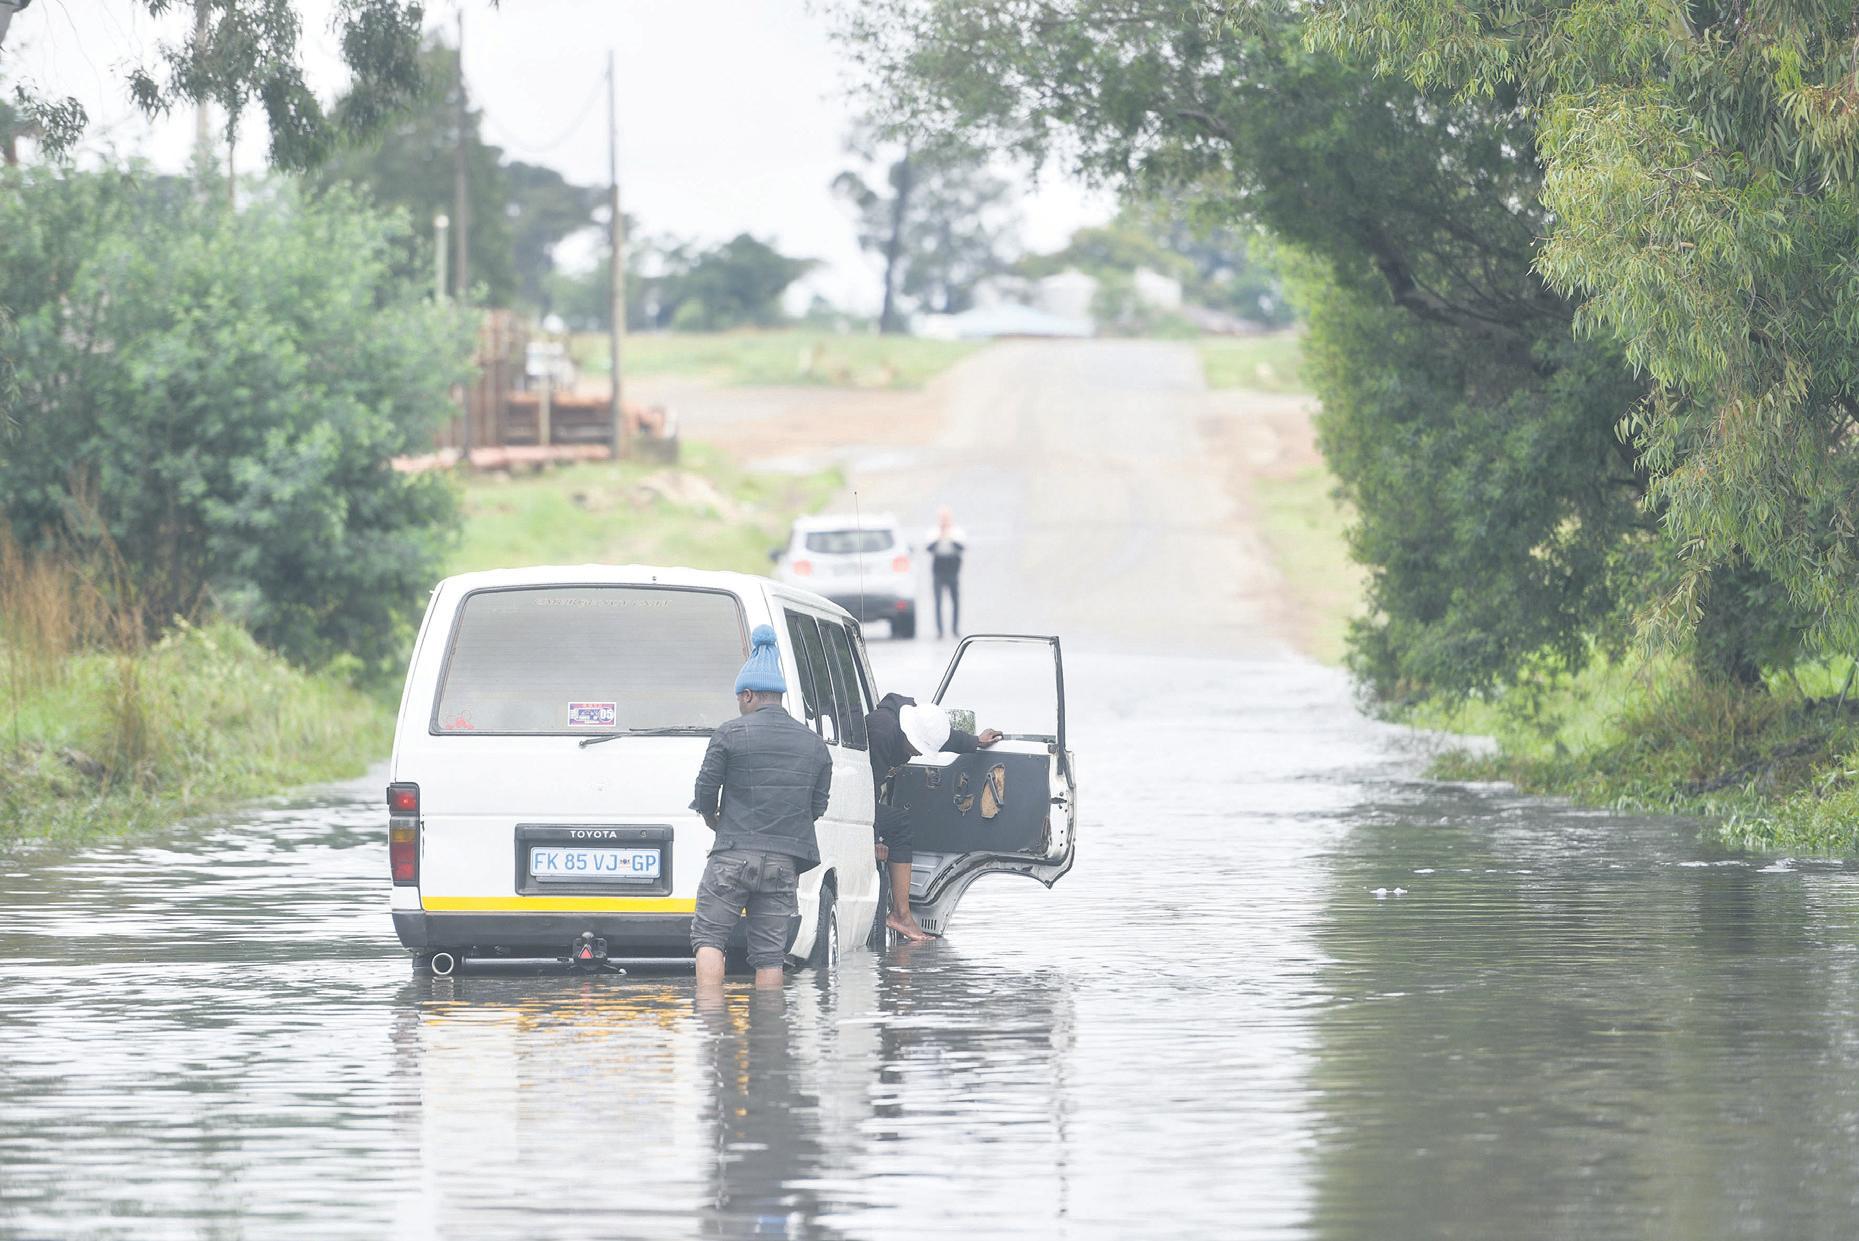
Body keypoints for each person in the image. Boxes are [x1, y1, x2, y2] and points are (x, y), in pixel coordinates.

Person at [689, 624, 832, 990]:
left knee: (709, 939)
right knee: (770, 956)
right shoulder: (814, 744)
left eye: (740, 699)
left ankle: (710, 1024)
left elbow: (706, 790)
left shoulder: (730, 733)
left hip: (732, 855)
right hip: (784, 862)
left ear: (748, 694)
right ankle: (770, 1035)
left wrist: (713, 818)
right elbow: (817, 806)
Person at [866, 694, 1001, 941]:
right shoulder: (882, 735)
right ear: (908, 734)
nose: (919, 754)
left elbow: (944, 737)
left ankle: (901, 913)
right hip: (856, 798)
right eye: (919, 747)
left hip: (866, 794)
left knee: (899, 822)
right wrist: (873, 837)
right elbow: (868, 793)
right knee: (900, 825)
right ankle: (900, 915)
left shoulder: (913, 719)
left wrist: (975, 741)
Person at [925, 507, 966, 639]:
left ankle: (955, 629)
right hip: (938, 570)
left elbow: (961, 547)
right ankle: (940, 631)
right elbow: (929, 548)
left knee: (955, 601)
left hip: (953, 570)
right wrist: (940, 537)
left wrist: (950, 537)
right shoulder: (933, 532)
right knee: (938, 601)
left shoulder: (957, 532)